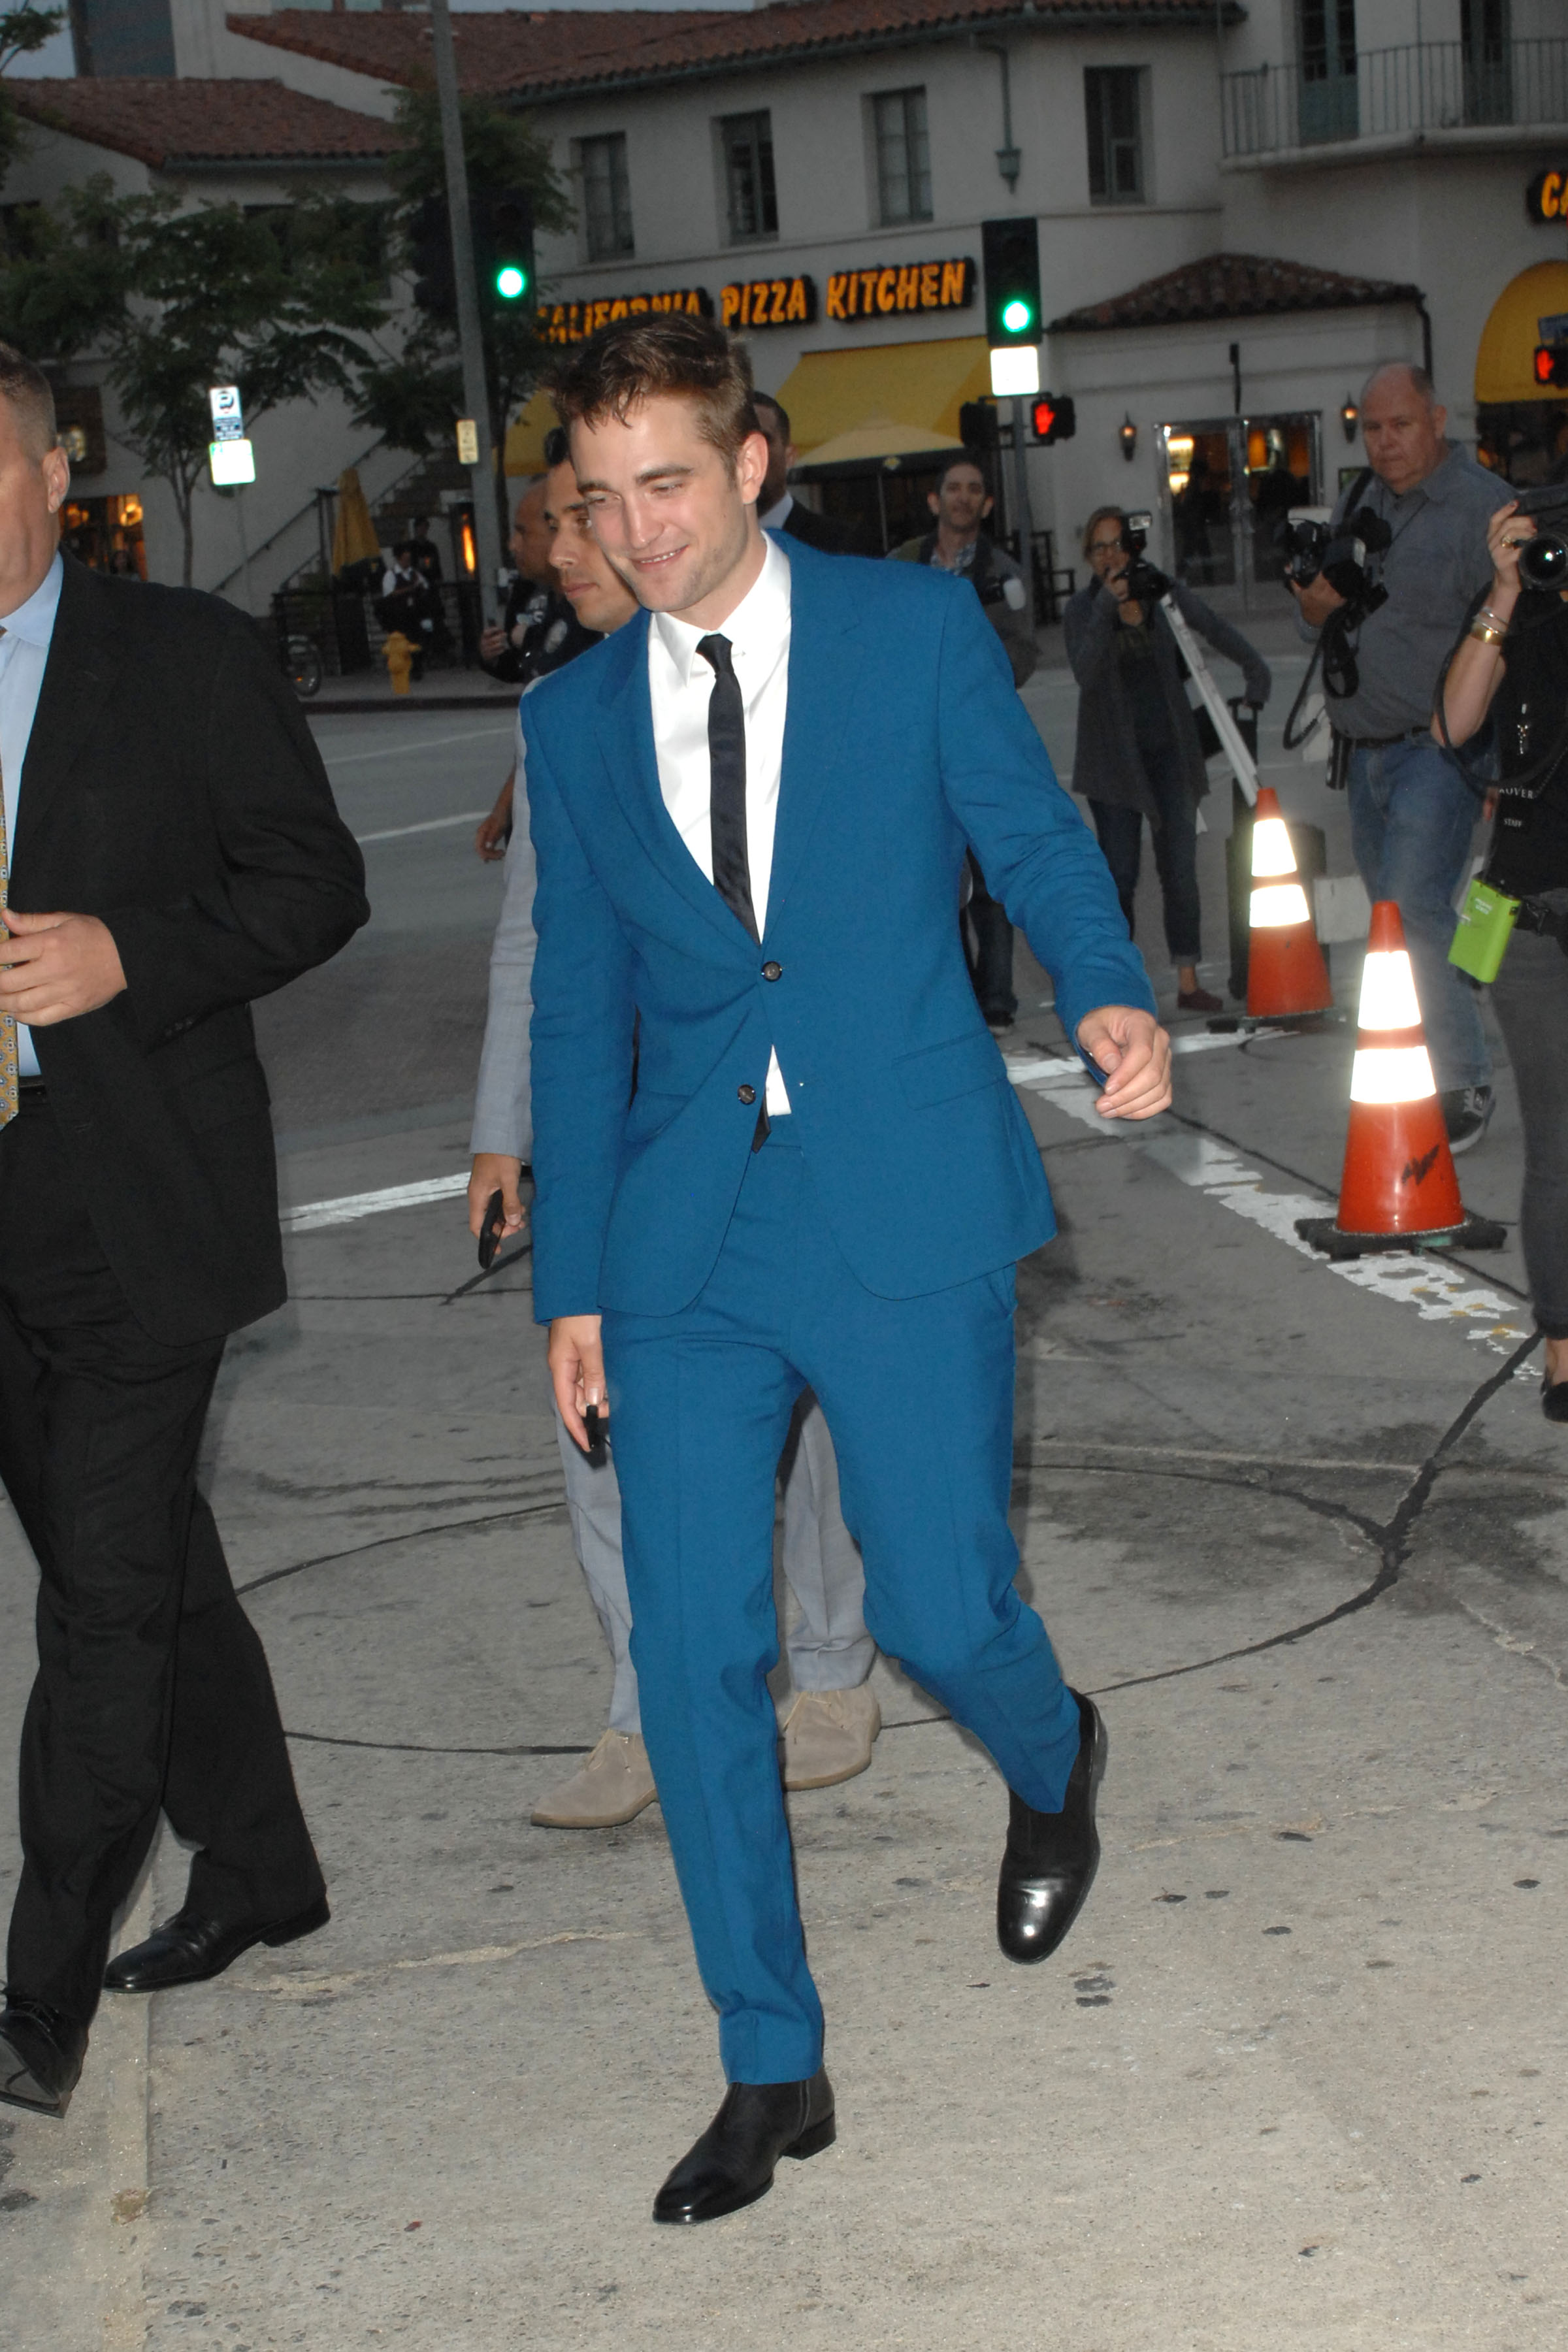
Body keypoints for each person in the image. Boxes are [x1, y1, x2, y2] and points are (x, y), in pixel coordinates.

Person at [527, 314, 1169, 2225]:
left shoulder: (907, 631)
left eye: (665, 483)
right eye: (599, 497)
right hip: (683, 1234)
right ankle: (766, 2060)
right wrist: (572, 1284)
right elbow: (576, 1010)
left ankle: (1050, 1752)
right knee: (691, 1656)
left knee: (937, 1609)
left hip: (893, 1190)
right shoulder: (571, 718)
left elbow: (1027, 839)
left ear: (750, 463)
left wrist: (1108, 989)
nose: (634, 530)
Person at [0, 344, 368, 2121]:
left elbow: (315, 882)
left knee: (103, 1598)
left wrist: (126, 954)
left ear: (52, 472)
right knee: (132, 1554)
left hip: (135, 1195)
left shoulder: (181, 656)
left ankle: (36, 1992)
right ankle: (263, 1860)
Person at [468, 446, 882, 1820]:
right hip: (627, 1146)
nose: (568, 548)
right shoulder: (565, 715)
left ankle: (831, 1667)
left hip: (773, 1119)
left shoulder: (777, 667)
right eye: (561, 520)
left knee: (809, 1423)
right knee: (597, 1424)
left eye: (588, 516)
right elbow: (535, 950)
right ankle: (648, 1707)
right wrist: (502, 1134)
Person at [1291, 361, 1512, 1151]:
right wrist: (1315, 608)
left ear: (1438, 420)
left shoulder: (1482, 508)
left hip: (1439, 751)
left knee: (1414, 907)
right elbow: (1325, 617)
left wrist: (1503, 761)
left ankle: (1464, 1080)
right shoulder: (1362, 499)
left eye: (1402, 425)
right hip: (1366, 752)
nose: (1385, 442)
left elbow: (1521, 637)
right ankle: (1432, 1056)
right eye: (1373, 428)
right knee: (1394, 915)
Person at [1437, 494, 1568, 1421]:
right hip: (1532, 921)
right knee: (1559, 1147)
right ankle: (1564, 1347)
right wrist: (1506, 590)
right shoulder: (1521, 614)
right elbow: (1453, 725)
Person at [1065, 505, 1271, 1014]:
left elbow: (1212, 627)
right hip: (1113, 765)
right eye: (1100, 547)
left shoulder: (1161, 593)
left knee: (1179, 871)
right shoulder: (1083, 609)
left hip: (1171, 755)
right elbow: (1086, 672)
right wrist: (1107, 607)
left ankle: (1188, 979)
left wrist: (1255, 668)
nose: (1111, 556)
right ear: (1088, 557)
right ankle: (1122, 987)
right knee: (1119, 877)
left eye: (1118, 544)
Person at [891, 452, 1038, 1030]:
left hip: (981, 745)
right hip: (915, 751)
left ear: (988, 503)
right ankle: (955, 996)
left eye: (975, 489)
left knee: (989, 878)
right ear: (935, 500)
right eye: (954, 488)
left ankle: (997, 999)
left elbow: (1024, 652)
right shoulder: (902, 564)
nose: (964, 497)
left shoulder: (1006, 575)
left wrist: (970, 672)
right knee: (932, 877)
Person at [476, 462, 602, 860]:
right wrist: (505, 808)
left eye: (523, 531)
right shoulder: (544, 603)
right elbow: (541, 738)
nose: (514, 545)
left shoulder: (593, 623)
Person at [751, 392, 851, 553]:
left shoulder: (837, 542)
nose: (750, 453)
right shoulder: (715, 542)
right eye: (738, 441)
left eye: (763, 440)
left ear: (789, 456)